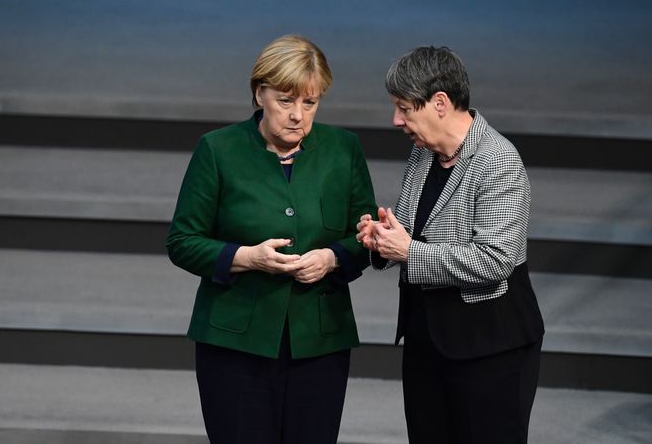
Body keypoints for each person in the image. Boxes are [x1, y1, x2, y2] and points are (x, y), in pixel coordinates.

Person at [166, 34, 377, 444]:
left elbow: (362, 236)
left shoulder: (343, 149)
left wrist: (332, 259)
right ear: (260, 93)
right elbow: (182, 240)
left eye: (310, 103)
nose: (298, 115)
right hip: (234, 344)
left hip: (319, 340)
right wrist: (246, 257)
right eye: (286, 100)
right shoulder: (217, 149)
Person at [357, 46, 545, 444]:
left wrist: (408, 251)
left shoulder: (498, 160)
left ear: (440, 103)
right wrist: (382, 237)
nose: (396, 120)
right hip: (428, 340)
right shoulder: (423, 153)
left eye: (405, 108)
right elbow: (412, 229)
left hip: (490, 348)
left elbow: (493, 261)